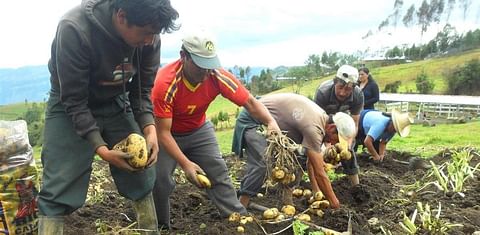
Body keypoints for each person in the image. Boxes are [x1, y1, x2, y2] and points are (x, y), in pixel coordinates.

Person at [37, 0, 179, 234]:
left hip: (115, 99)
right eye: (145, 33)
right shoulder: (75, 29)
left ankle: (150, 230)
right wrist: (101, 149)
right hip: (69, 104)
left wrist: (149, 128)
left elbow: (142, 91)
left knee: (142, 171)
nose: (149, 41)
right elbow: (74, 100)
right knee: (58, 186)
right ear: (121, 16)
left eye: (154, 35)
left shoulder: (150, 35)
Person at [150, 30, 280, 229]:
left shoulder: (216, 75)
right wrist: (186, 164)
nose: (206, 72)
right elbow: (163, 133)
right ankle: (161, 226)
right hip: (167, 133)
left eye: (209, 65)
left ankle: (240, 220)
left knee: (218, 172)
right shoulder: (165, 84)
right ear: (183, 57)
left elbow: (251, 103)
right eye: (201, 65)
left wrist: (270, 122)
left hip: (198, 129)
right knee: (160, 181)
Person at [232, 93, 357, 209]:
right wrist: (335, 204)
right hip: (253, 117)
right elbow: (320, 173)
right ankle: (241, 204)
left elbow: (310, 162)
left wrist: (316, 190)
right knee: (263, 163)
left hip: (267, 121)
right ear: (332, 127)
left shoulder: (322, 118)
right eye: (337, 139)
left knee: (298, 159)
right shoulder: (314, 129)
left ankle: (286, 202)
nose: (335, 143)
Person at [314, 65, 364, 185]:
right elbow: (318, 122)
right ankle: (316, 185)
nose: (342, 93)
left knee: (349, 152)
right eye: (340, 87)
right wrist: (326, 146)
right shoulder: (323, 92)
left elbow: (355, 124)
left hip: (343, 122)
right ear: (335, 82)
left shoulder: (358, 95)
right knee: (315, 152)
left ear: (353, 88)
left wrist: (348, 144)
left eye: (347, 90)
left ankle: (356, 187)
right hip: (323, 120)